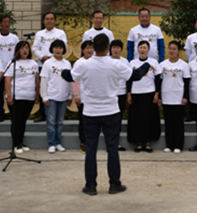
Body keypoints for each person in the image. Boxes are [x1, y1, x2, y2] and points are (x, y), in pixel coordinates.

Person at [62, 34, 152, 195]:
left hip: (90, 112)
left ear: (93, 47)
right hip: (111, 112)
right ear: (108, 47)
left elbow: (69, 76)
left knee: (90, 149)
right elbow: (136, 75)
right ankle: (114, 184)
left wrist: (63, 70)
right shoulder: (115, 64)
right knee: (112, 149)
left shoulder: (85, 65)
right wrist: (146, 65)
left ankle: (90, 186)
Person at [4, 41, 39, 154]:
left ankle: (21, 142)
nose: (25, 50)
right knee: (16, 121)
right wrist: (9, 96)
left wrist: (37, 93)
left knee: (23, 120)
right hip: (16, 96)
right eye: (22, 48)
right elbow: (7, 80)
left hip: (29, 96)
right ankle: (16, 144)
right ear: (18, 50)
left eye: (27, 48)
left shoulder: (33, 63)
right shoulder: (13, 63)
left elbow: (36, 79)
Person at [32, 12, 68, 123]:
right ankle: (42, 113)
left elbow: (63, 47)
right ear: (43, 21)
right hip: (42, 64)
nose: (49, 21)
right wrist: (42, 57)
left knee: (55, 85)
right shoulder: (39, 34)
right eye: (47, 19)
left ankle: (56, 114)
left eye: (51, 19)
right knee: (43, 86)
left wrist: (52, 57)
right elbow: (35, 48)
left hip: (57, 64)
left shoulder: (60, 33)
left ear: (55, 21)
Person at [127, 41, 162, 152]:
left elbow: (157, 79)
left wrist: (157, 94)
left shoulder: (153, 62)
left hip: (149, 93)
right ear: (137, 49)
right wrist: (129, 94)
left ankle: (147, 142)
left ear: (148, 50)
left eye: (144, 47)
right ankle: (138, 143)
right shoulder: (132, 63)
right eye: (140, 47)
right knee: (137, 119)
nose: (142, 50)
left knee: (148, 119)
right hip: (136, 93)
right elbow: (129, 80)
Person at [40, 39, 73, 154]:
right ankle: (51, 143)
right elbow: (44, 80)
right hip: (51, 97)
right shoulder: (48, 63)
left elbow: (70, 80)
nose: (58, 50)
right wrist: (44, 96)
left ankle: (58, 143)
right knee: (51, 122)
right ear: (52, 49)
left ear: (64, 49)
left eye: (60, 48)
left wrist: (70, 95)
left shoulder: (67, 63)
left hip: (63, 97)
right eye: (56, 48)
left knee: (59, 122)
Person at [158, 41, 191, 154]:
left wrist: (185, 97)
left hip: (178, 98)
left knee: (178, 123)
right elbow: (159, 81)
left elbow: (187, 83)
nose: (171, 51)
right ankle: (169, 144)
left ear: (178, 51)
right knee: (168, 123)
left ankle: (178, 145)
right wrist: (159, 97)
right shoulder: (162, 65)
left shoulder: (184, 65)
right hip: (166, 97)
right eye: (170, 48)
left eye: (174, 49)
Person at [0, 15, 20, 123]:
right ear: (0, 24)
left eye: (8, 22)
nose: (7, 24)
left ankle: (13, 114)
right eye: (4, 22)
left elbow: (18, 54)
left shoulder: (14, 38)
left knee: (11, 92)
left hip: (11, 70)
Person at [74, 40, 94, 153]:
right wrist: (77, 95)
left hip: (94, 97)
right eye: (87, 48)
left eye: (91, 48)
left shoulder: (96, 61)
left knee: (93, 122)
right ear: (82, 50)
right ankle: (83, 142)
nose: (89, 50)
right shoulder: (79, 63)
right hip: (83, 97)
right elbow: (75, 80)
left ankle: (92, 142)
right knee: (83, 121)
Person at [110, 39, 129, 151]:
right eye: (114, 47)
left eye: (118, 48)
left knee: (118, 119)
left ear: (121, 49)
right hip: (109, 95)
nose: (116, 50)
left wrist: (128, 93)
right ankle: (110, 143)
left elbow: (128, 79)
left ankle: (116, 143)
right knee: (109, 120)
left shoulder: (125, 62)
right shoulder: (107, 61)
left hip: (121, 93)